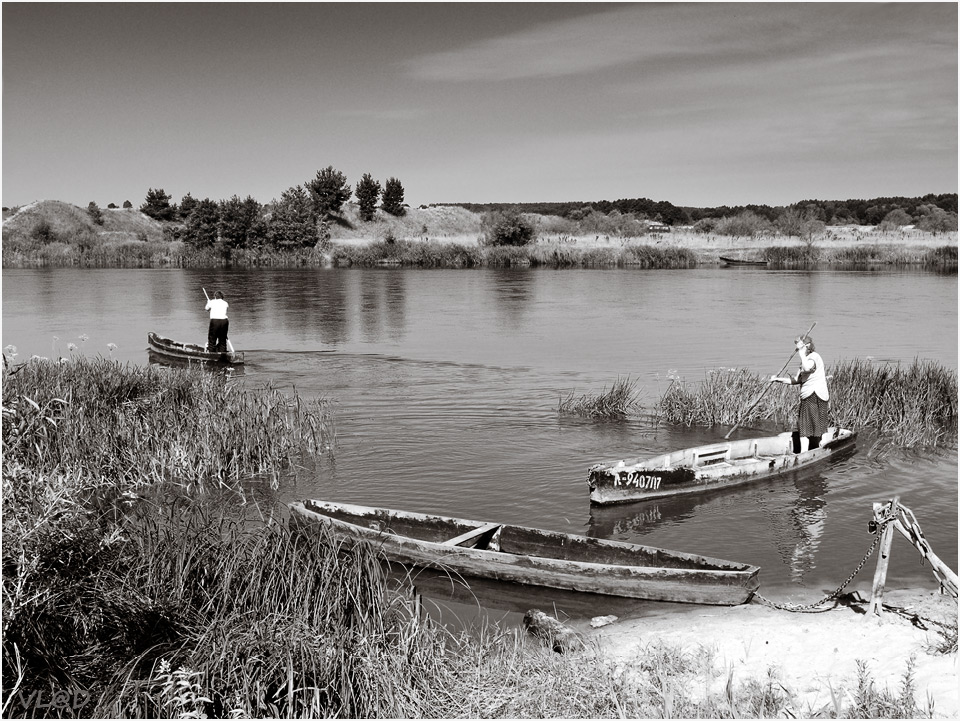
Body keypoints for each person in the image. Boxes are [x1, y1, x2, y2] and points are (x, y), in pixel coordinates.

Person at [770, 335, 830, 453]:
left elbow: (808, 368)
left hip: (815, 396)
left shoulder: (814, 357)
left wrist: (801, 352)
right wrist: (777, 379)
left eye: (800, 346)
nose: (797, 349)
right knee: (805, 428)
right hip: (808, 396)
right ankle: (804, 452)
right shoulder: (804, 361)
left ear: (807, 346)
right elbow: (796, 380)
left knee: (813, 426)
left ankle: (819, 447)